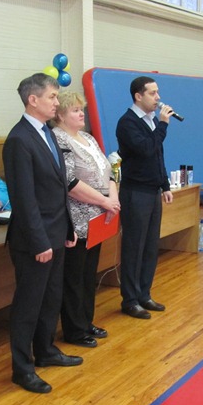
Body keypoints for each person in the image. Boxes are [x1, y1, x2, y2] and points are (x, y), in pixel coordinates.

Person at [2, 73, 81, 394]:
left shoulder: (47, 132)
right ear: (32, 100)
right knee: (29, 305)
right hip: (34, 240)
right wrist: (39, 242)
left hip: (56, 232)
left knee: (51, 299)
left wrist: (68, 228)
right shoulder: (19, 139)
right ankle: (22, 368)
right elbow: (24, 198)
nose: (56, 102)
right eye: (52, 96)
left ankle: (46, 351)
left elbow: (58, 188)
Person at [52, 92, 120, 347]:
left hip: (99, 217)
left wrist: (112, 198)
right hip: (76, 219)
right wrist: (104, 201)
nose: (82, 114)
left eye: (82, 109)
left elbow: (108, 172)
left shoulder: (88, 138)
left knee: (89, 274)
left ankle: (86, 321)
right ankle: (74, 330)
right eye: (75, 110)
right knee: (74, 276)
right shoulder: (59, 139)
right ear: (60, 115)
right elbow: (69, 182)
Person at [116, 76, 175, 320]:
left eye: (157, 92)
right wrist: (163, 125)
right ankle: (130, 300)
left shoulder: (152, 121)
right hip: (135, 192)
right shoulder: (127, 123)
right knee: (134, 247)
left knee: (151, 246)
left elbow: (157, 156)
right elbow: (146, 149)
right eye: (152, 93)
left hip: (152, 191)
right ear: (138, 96)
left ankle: (144, 294)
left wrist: (165, 184)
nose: (158, 98)